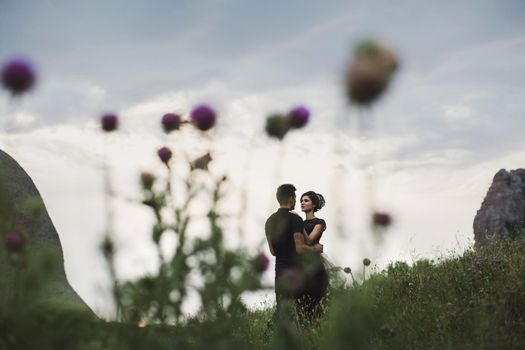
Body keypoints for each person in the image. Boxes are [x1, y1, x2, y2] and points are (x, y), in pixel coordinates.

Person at [265, 184, 323, 321]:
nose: (297, 201)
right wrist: (315, 249)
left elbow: (272, 251)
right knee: (304, 310)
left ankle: (272, 337)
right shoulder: (295, 219)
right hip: (295, 272)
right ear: (291, 198)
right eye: (296, 198)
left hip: (279, 272)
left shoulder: (269, 221)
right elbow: (299, 248)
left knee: (282, 310)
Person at [297, 191, 330, 320]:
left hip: (315, 263)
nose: (302, 203)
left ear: (314, 204)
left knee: (316, 296)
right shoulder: (299, 223)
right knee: (301, 298)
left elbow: (310, 240)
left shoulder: (320, 222)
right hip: (301, 262)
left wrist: (298, 224)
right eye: (301, 200)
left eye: (306, 201)